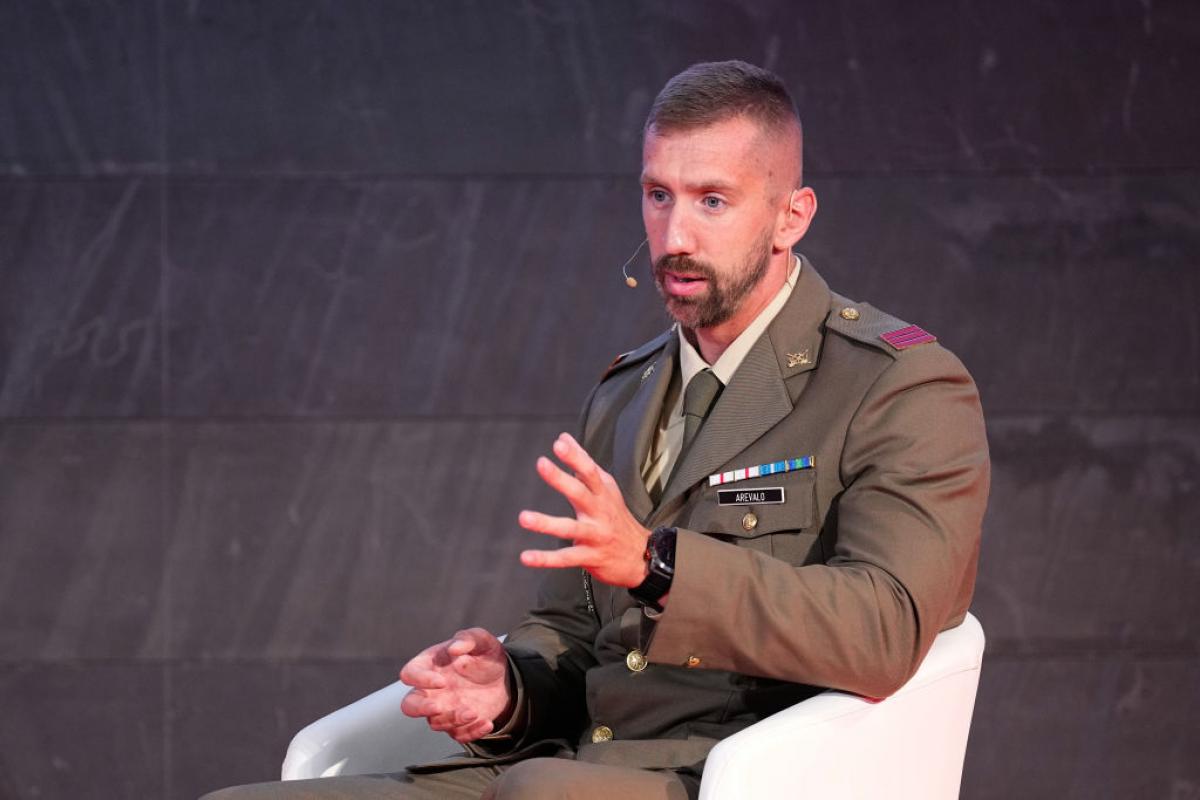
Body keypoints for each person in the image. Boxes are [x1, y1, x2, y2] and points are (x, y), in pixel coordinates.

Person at [203, 59, 989, 800]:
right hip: (567, 770)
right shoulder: (628, 390)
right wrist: (507, 693)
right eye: (657, 195)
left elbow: (885, 629)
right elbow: (572, 632)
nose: (675, 236)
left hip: (724, 776)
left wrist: (658, 565)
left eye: (712, 200)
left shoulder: (897, 385)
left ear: (791, 216)